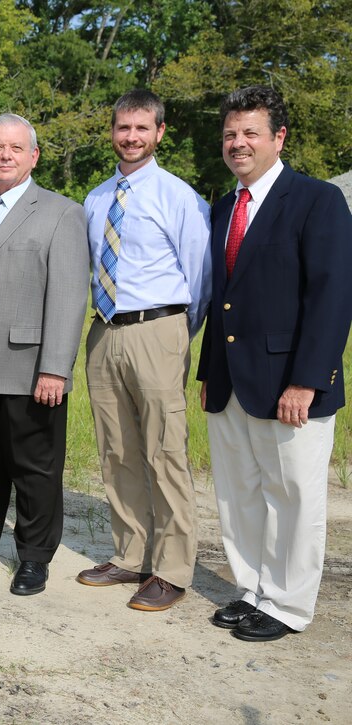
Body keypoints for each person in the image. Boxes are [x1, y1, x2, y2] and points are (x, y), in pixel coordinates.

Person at [199, 86, 352, 642]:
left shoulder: (317, 201)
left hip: (291, 385)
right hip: (231, 383)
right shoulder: (223, 207)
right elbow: (224, 299)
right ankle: (251, 590)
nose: (238, 143)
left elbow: (332, 297)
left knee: (293, 497)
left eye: (250, 133)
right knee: (239, 493)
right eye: (230, 134)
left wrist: (307, 381)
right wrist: (209, 373)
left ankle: (287, 605)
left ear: (278, 137)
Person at [76, 90, 211, 612]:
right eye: (122, 128)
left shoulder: (179, 196)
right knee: (118, 450)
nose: (130, 137)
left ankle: (172, 570)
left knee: (165, 451)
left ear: (158, 132)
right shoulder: (95, 198)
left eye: (141, 129)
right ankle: (130, 555)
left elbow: (200, 279)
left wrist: (174, 334)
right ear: (112, 132)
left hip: (158, 329)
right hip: (105, 330)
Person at [0, 114, 88, 596]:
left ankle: (35, 555)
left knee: (34, 463)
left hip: (30, 361)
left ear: (34, 156)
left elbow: (68, 294)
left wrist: (55, 367)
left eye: (16, 148)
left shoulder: (61, 212)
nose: (6, 156)